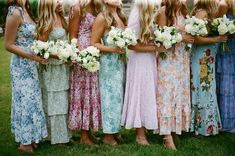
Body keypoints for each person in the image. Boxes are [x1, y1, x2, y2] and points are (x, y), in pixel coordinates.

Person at [121, 0, 172, 146]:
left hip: (149, 59)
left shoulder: (150, 12)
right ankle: (139, 133)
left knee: (148, 93)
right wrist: (156, 49)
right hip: (138, 61)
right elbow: (131, 45)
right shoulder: (137, 14)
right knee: (140, 93)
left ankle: (146, 124)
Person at [4, 0, 48, 152]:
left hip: (31, 63)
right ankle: (25, 143)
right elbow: (8, 45)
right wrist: (32, 56)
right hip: (21, 65)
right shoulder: (14, 12)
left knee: (33, 100)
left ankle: (31, 137)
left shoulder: (27, 10)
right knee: (25, 100)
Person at [155, 0, 194, 150]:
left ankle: (175, 127)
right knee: (167, 93)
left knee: (179, 92)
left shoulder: (184, 10)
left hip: (182, 58)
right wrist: (180, 38)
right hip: (169, 59)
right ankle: (166, 135)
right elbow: (160, 38)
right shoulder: (164, 11)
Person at [91, 0, 126, 145]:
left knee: (118, 96)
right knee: (109, 97)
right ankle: (108, 135)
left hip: (120, 61)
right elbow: (94, 42)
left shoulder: (120, 15)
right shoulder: (102, 17)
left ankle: (115, 129)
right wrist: (113, 49)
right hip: (109, 63)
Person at [190, 0, 227, 136]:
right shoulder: (201, 13)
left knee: (208, 87)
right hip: (201, 57)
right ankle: (198, 127)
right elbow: (195, 39)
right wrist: (216, 39)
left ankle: (209, 124)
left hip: (209, 56)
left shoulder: (210, 13)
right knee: (201, 87)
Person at [36, 0, 71, 144]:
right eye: (56, 0)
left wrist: (68, 55)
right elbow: (40, 48)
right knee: (53, 99)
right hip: (51, 67)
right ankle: (54, 136)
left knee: (62, 99)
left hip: (62, 67)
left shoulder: (62, 18)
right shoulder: (47, 22)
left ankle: (64, 134)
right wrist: (58, 55)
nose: (60, 2)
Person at [68, 0, 102, 145]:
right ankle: (83, 135)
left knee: (91, 94)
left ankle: (88, 131)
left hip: (93, 54)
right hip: (82, 56)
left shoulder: (96, 7)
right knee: (83, 94)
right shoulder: (77, 8)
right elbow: (72, 36)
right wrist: (82, 55)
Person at [216, 0, 235, 133]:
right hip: (226, 47)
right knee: (227, 84)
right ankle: (225, 121)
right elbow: (218, 27)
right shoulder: (224, 5)